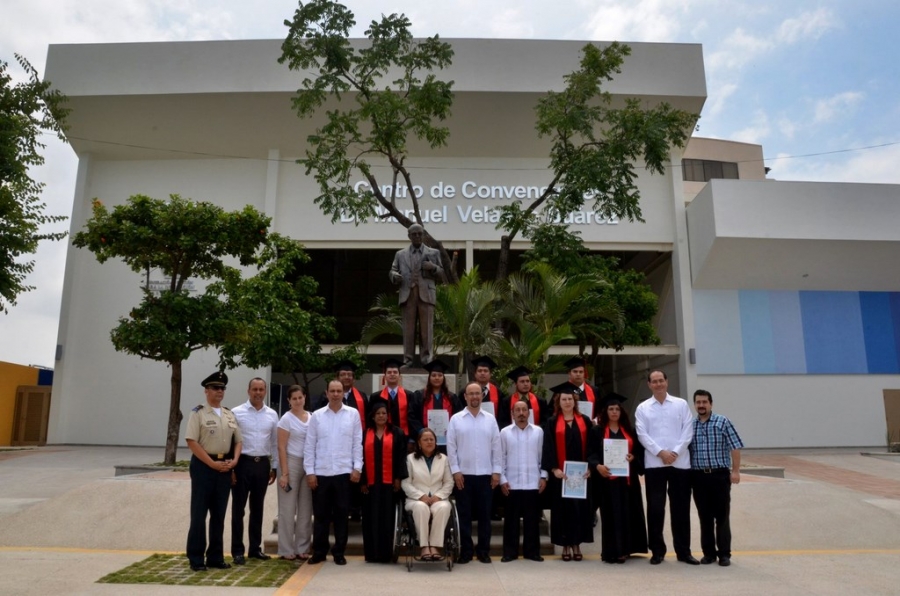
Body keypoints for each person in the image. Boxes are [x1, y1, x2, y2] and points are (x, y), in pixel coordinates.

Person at [635, 370, 698, 565]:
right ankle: (657, 551)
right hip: (655, 465)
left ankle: (683, 552)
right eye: (654, 382)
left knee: (681, 509)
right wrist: (661, 452)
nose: (658, 384)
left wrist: (675, 453)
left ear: (667, 382)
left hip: (680, 464)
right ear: (649, 385)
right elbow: (642, 434)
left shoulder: (681, 404)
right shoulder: (643, 408)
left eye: (661, 380)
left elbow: (688, 431)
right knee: (655, 509)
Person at [185, 371, 242, 572]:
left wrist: (234, 461)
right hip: (204, 467)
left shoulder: (229, 414)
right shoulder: (198, 413)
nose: (219, 391)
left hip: (224, 467)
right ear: (206, 391)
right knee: (199, 515)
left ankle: (215, 556)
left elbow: (238, 441)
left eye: (222, 388)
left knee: (219, 515)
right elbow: (192, 441)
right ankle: (196, 558)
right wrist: (211, 464)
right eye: (215, 388)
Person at [304, 379, 364, 565]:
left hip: (344, 472)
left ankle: (339, 552)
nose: (336, 394)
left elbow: (357, 442)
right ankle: (319, 552)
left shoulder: (352, 414)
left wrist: (357, 467)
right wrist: (310, 472)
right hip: (321, 472)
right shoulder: (317, 416)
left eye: (339, 391)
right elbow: (309, 445)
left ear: (343, 393)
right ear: (326, 393)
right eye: (333, 391)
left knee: (341, 515)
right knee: (321, 515)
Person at [587, 392, 649, 564]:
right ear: (605, 411)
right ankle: (612, 551)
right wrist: (597, 466)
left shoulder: (629, 431)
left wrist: (633, 458)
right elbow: (590, 453)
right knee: (611, 515)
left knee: (628, 513)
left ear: (621, 412)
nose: (614, 412)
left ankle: (626, 549)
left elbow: (638, 453)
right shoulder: (597, 431)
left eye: (617, 409)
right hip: (607, 481)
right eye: (611, 409)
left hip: (628, 481)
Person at [446, 382, 502, 564]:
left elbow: (497, 447)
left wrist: (496, 472)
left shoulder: (490, 419)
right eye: (471, 394)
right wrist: (455, 471)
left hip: (486, 475)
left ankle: (484, 551)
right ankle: (466, 551)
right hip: (464, 475)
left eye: (477, 393)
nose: (475, 397)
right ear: (465, 396)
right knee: (464, 515)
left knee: (485, 516)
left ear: (482, 396)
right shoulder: (456, 419)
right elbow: (451, 448)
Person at [690, 389, 744, 567]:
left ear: (711, 404)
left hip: (719, 476)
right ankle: (709, 554)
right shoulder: (691, 425)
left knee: (722, 516)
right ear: (695, 404)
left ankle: (724, 554)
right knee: (704, 517)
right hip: (698, 477)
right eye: (698, 402)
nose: (701, 405)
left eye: (705, 402)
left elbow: (735, 446)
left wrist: (735, 471)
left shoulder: (722, 421)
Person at [541, 382, 594, 561]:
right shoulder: (552, 422)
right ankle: (565, 545)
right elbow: (547, 448)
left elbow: (593, 448)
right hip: (560, 476)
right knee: (562, 511)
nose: (567, 402)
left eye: (570, 399)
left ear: (575, 401)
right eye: (564, 399)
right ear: (558, 401)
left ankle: (577, 544)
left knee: (579, 510)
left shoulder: (585, 421)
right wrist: (554, 468)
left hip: (581, 475)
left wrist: (590, 467)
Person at [230, 377, 279, 565]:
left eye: (261, 389)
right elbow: (231, 441)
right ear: (248, 390)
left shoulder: (272, 414)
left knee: (257, 509)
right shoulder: (236, 413)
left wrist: (273, 467)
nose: (258, 393)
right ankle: (237, 550)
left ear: (265, 391)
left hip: (262, 465)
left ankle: (254, 549)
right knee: (238, 509)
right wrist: (232, 467)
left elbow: (274, 442)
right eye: (255, 389)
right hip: (242, 463)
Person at [360, 401, 408, 563]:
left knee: (388, 518)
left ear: (388, 416)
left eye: (384, 413)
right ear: (372, 416)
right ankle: (372, 554)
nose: (381, 416)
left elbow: (401, 458)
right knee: (371, 518)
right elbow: (361, 459)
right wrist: (363, 481)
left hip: (390, 485)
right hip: (371, 485)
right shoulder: (365, 434)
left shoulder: (397, 433)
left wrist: (398, 478)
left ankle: (387, 554)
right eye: (378, 413)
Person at [389, 223, 443, 367]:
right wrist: (395, 276)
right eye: (414, 234)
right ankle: (408, 360)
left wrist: (433, 268)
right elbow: (392, 271)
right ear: (409, 236)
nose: (417, 236)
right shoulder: (400, 254)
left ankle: (427, 360)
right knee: (408, 330)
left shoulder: (433, 253)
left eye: (420, 233)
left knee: (426, 330)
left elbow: (442, 274)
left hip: (426, 295)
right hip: (408, 295)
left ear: (424, 235)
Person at [499, 400, 547, 562]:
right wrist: (502, 480)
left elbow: (543, 456)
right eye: (517, 410)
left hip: (532, 483)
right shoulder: (505, 433)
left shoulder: (538, 432)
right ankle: (509, 552)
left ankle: (532, 552)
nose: (521, 413)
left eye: (524, 410)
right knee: (510, 521)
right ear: (512, 413)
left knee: (532, 521)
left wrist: (543, 476)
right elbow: (501, 458)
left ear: (529, 413)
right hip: (511, 483)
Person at [402, 428, 455, 561]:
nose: (429, 442)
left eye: (432, 439)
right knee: (421, 507)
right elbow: (406, 483)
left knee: (444, 507)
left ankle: (435, 546)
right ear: (419, 443)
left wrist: (438, 496)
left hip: (438, 498)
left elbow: (449, 482)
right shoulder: (410, 459)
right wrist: (421, 496)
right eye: (425, 439)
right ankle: (424, 546)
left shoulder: (443, 459)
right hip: (416, 499)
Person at [276, 385, 313, 561]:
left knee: (306, 509)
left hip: (308, 465)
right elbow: (281, 447)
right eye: (294, 398)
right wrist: (285, 473)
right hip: (290, 463)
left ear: (304, 398)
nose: (298, 401)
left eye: (300, 397)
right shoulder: (286, 419)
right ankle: (285, 549)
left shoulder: (312, 418)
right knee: (287, 509)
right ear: (288, 401)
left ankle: (302, 547)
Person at [410, 359, 459, 447]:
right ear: (429, 378)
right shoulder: (419, 396)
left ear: (443, 378)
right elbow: (412, 416)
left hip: (447, 440)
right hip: (425, 440)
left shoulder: (451, 397)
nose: (437, 378)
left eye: (440, 375)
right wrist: (421, 431)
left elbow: (458, 416)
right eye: (434, 375)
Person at [370, 358, 415, 450]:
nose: (392, 374)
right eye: (389, 372)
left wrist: (412, 439)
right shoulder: (376, 397)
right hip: (381, 438)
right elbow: (371, 420)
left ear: (399, 376)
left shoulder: (409, 395)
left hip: (405, 438)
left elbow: (413, 418)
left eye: (395, 372)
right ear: (385, 376)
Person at [471, 355, 509, 428]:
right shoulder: (466, 392)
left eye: (485, 371)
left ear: (490, 374)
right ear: (475, 374)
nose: (482, 373)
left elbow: (502, 417)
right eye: (479, 371)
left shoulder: (499, 393)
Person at [565, 356, 598, 420]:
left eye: (581, 372)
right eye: (575, 371)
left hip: (589, 427)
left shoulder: (594, 390)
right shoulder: (561, 390)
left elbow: (599, 410)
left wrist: (596, 421)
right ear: (569, 374)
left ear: (584, 374)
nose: (578, 374)